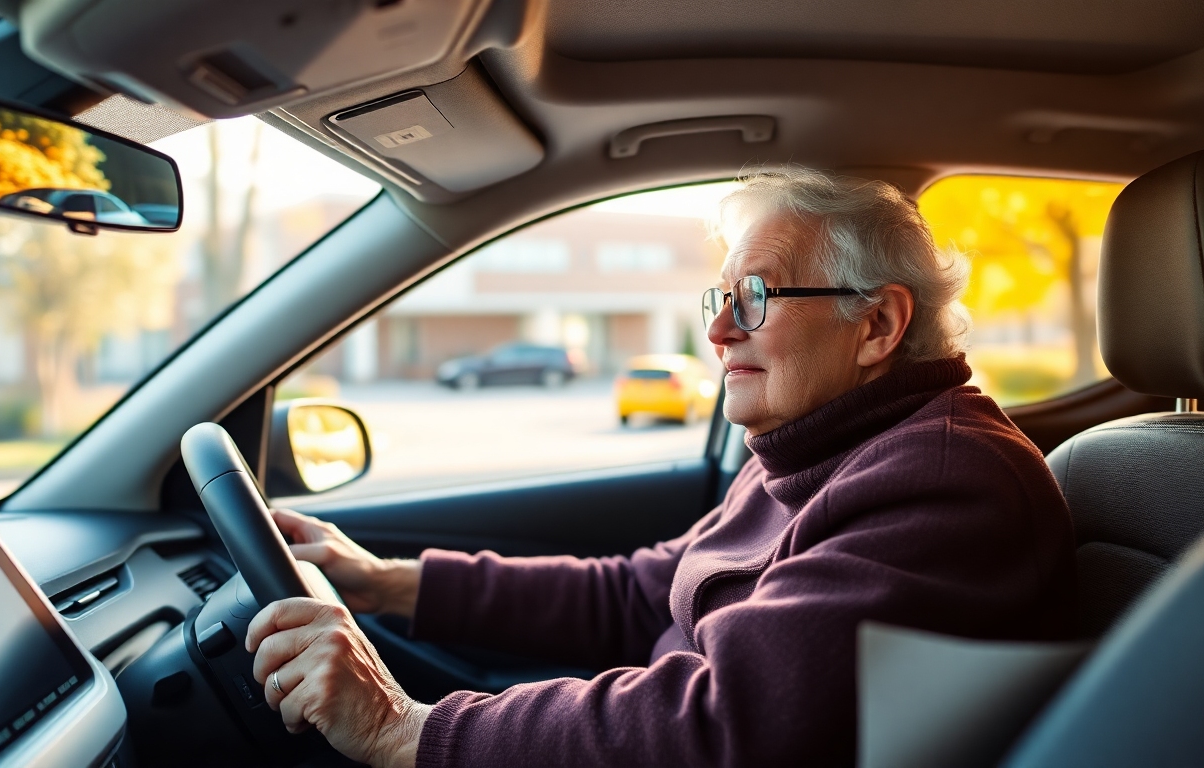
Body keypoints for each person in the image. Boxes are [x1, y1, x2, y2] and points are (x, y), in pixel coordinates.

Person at [245, 168, 1078, 768]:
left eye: (755, 297)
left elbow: (724, 729)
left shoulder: (944, 482)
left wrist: (408, 731)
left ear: (877, 326)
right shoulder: (816, 445)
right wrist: (378, 582)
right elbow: (637, 593)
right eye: (719, 301)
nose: (717, 335)